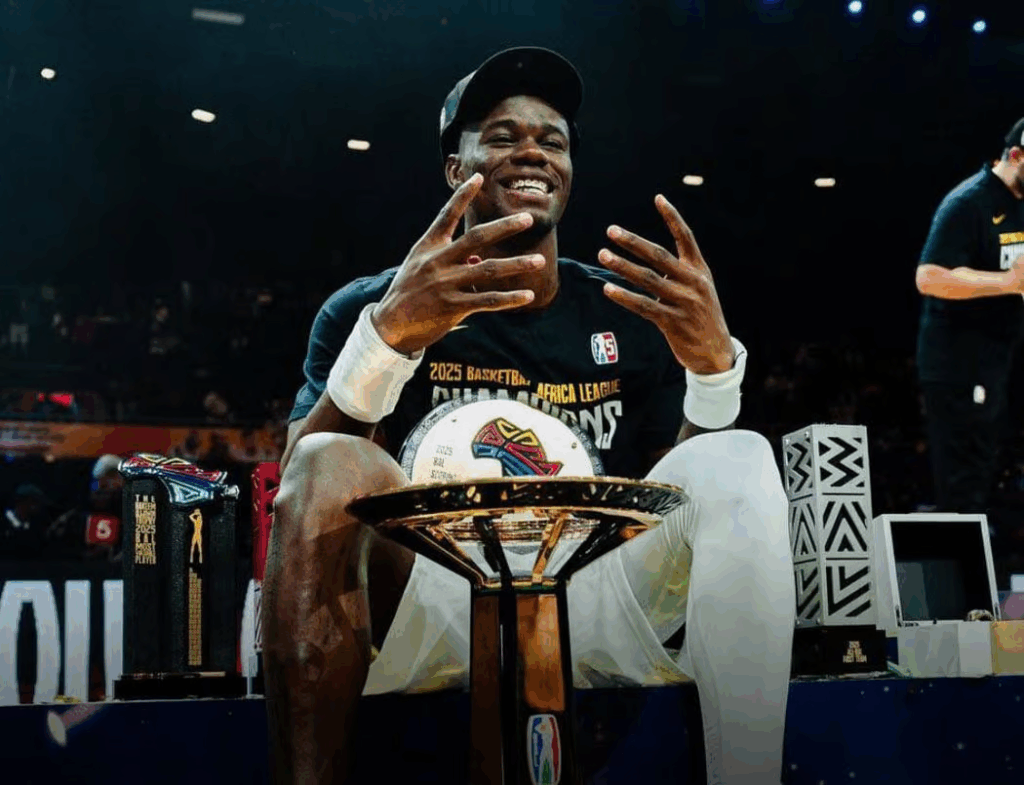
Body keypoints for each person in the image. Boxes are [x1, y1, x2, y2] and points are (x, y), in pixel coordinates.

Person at [262, 47, 796, 785]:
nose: (533, 151)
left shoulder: (627, 315)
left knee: (740, 454)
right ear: (456, 166)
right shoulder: (368, 308)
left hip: (591, 595)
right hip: (432, 600)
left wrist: (712, 378)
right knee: (329, 458)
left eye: (553, 140)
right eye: (503, 135)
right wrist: (385, 345)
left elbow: (679, 497)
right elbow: (303, 483)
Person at [915, 118, 1024, 516]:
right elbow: (929, 277)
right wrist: (1007, 282)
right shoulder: (968, 202)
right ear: (1016, 156)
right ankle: (960, 554)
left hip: (1001, 358)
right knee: (965, 485)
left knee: (996, 477)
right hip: (959, 364)